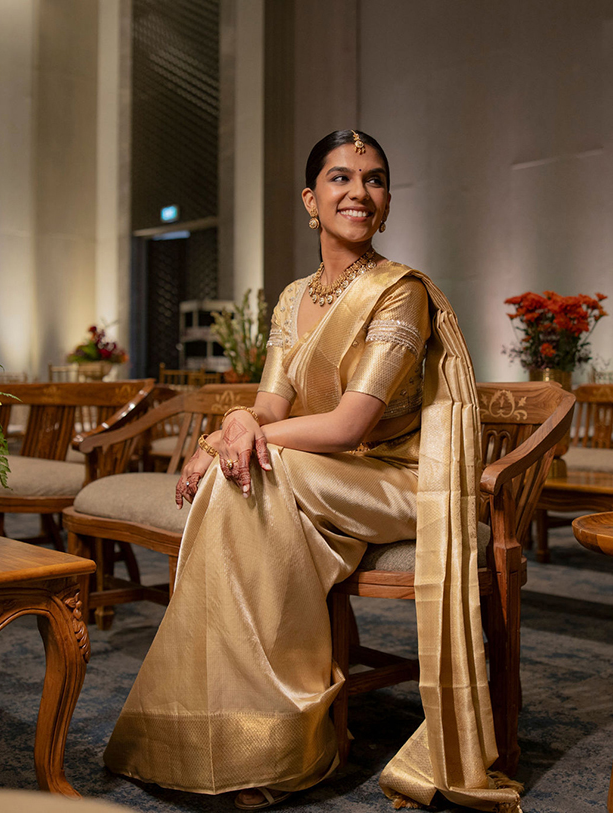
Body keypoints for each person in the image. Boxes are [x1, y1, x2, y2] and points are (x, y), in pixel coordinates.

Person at [103, 130, 521, 812]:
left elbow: (351, 425)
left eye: (375, 179)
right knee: (241, 478)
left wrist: (240, 430)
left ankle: (276, 737)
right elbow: (271, 404)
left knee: (261, 468)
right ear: (310, 198)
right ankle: (226, 732)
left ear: (386, 202)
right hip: (318, 469)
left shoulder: (399, 292)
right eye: (340, 177)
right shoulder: (294, 295)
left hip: (395, 478)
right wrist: (228, 435)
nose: (359, 191)